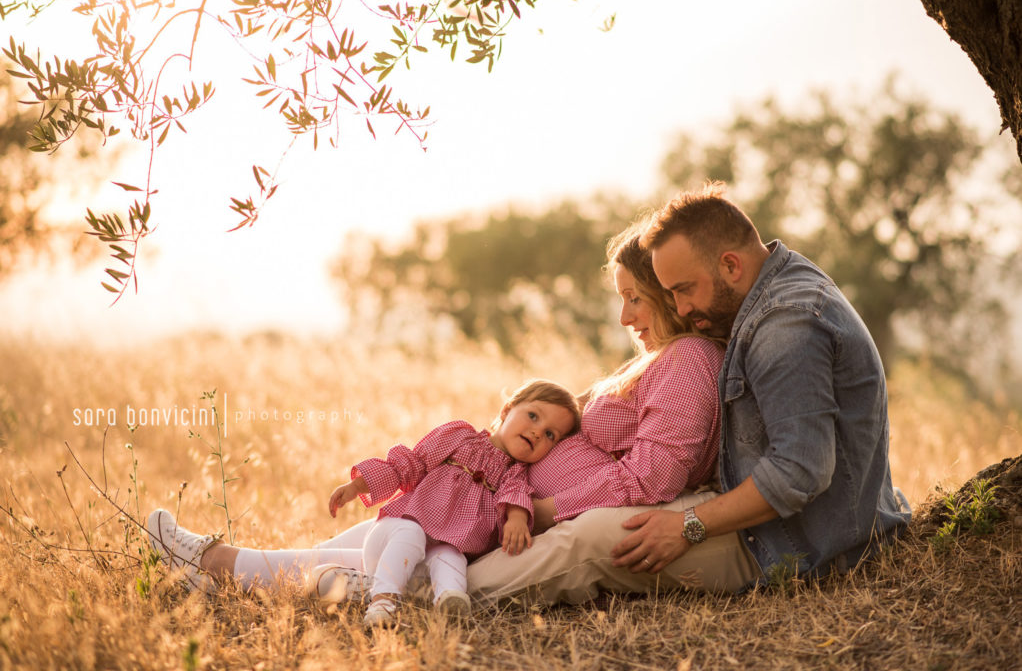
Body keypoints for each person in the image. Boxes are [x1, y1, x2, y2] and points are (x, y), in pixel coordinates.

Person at [608, 183, 910, 586]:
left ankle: (489, 590)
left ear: (731, 265)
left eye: (683, 290)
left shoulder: (786, 326)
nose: (679, 309)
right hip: (775, 521)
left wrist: (686, 526)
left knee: (588, 542)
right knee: (594, 524)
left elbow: (798, 472)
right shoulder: (775, 280)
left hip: (802, 544)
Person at [463, 221, 756, 604]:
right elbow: (573, 406)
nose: (624, 318)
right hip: (518, 493)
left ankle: (408, 588)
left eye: (634, 298)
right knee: (425, 520)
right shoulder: (658, 357)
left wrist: (543, 511)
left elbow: (652, 477)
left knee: (459, 569)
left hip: (568, 517)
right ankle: (389, 561)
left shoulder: (689, 358)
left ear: (667, 293)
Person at [146, 379, 580, 627]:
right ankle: (208, 569)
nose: (538, 433)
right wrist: (360, 485)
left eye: (550, 436)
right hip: (403, 528)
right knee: (317, 556)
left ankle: (209, 561)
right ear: (507, 408)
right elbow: (409, 462)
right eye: (534, 416)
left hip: (435, 559)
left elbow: (515, 497)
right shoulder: (458, 434)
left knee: (313, 563)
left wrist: (520, 517)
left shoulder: (516, 476)